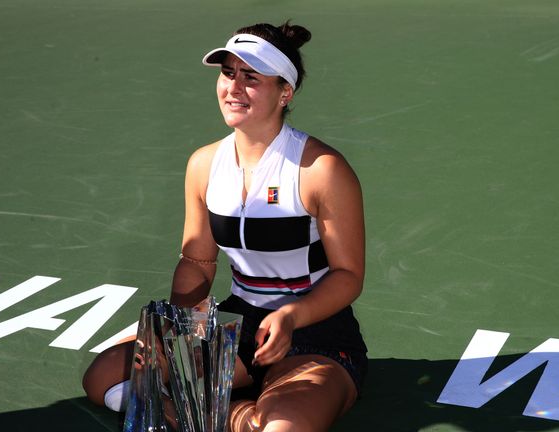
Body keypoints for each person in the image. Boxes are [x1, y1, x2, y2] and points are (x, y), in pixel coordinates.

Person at [83, 21, 367, 432]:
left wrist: (291, 316)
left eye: (251, 77)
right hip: (241, 324)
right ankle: (233, 418)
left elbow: (348, 275)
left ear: (285, 92)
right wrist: (183, 329)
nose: (233, 87)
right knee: (104, 379)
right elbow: (198, 260)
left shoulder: (321, 169)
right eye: (228, 73)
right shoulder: (204, 164)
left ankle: (213, 413)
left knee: (284, 427)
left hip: (316, 331)